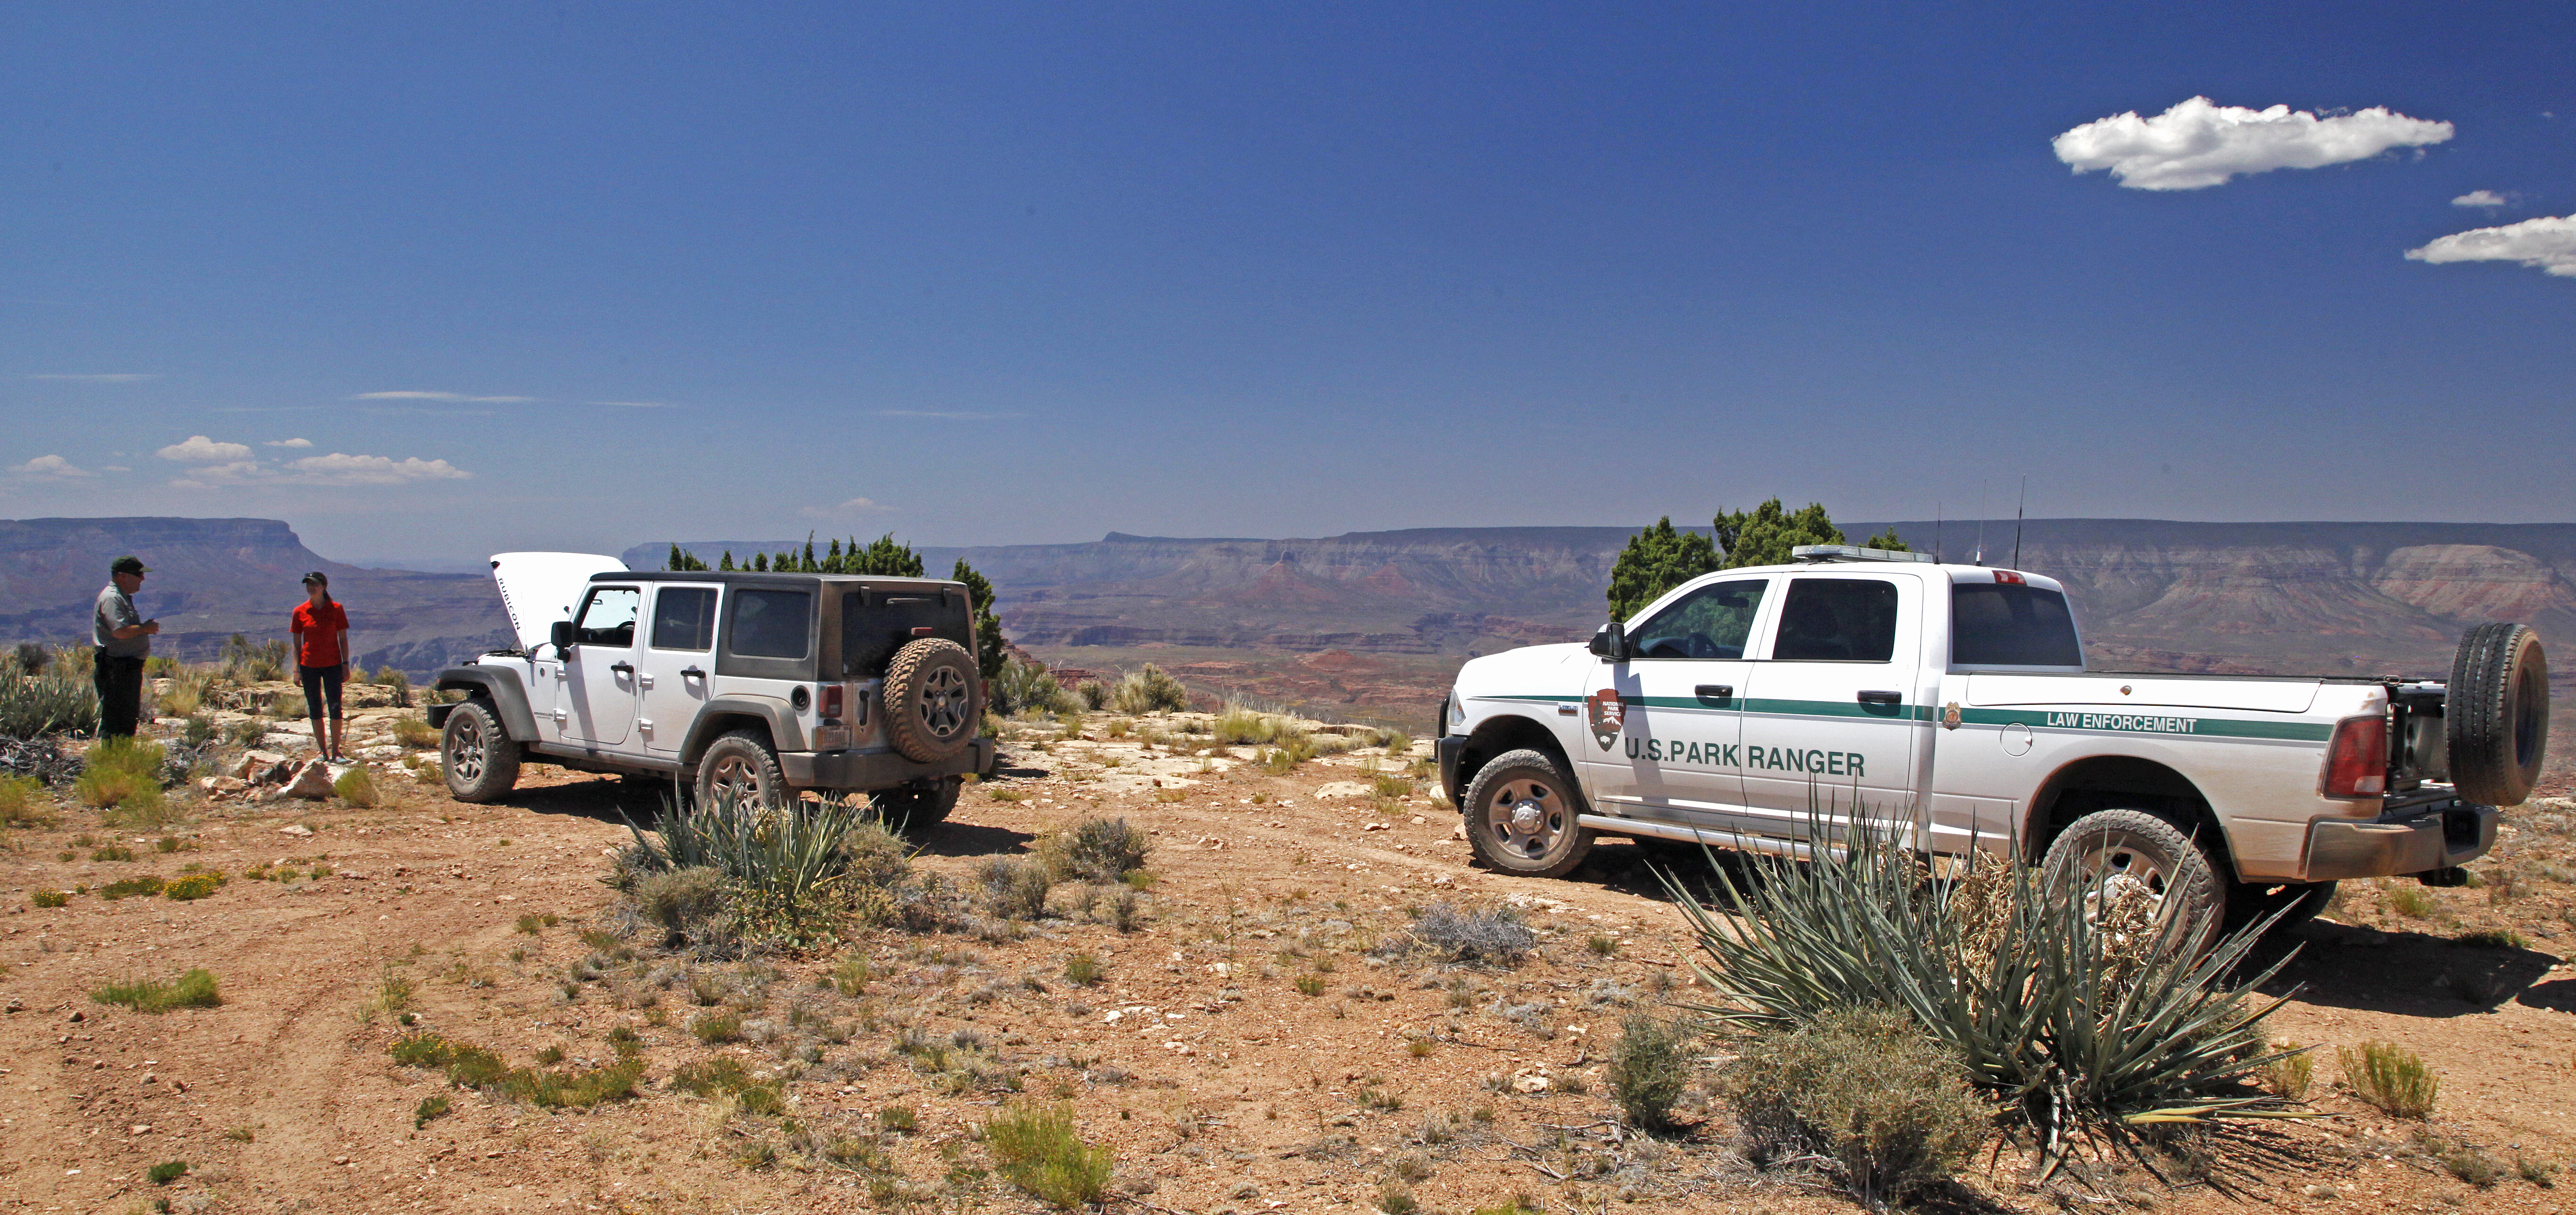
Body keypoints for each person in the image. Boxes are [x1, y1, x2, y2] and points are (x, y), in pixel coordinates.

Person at [93, 555, 159, 738]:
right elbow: (120, 632)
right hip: (116, 667)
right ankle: (114, 754)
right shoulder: (112, 598)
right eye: (138, 574)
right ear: (122, 576)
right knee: (116, 720)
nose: (142, 579)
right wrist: (145, 629)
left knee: (127, 719)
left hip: (125, 667)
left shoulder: (122, 597)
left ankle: (122, 752)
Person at [290, 571, 352, 762]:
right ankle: (322, 752)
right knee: (315, 708)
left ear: (324, 586)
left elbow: (343, 639)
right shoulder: (300, 611)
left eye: (315, 584)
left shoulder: (336, 609)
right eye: (308, 585)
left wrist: (345, 664)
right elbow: (296, 644)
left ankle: (337, 752)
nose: (311, 588)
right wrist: (296, 670)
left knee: (335, 707)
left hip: (333, 664)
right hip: (309, 665)